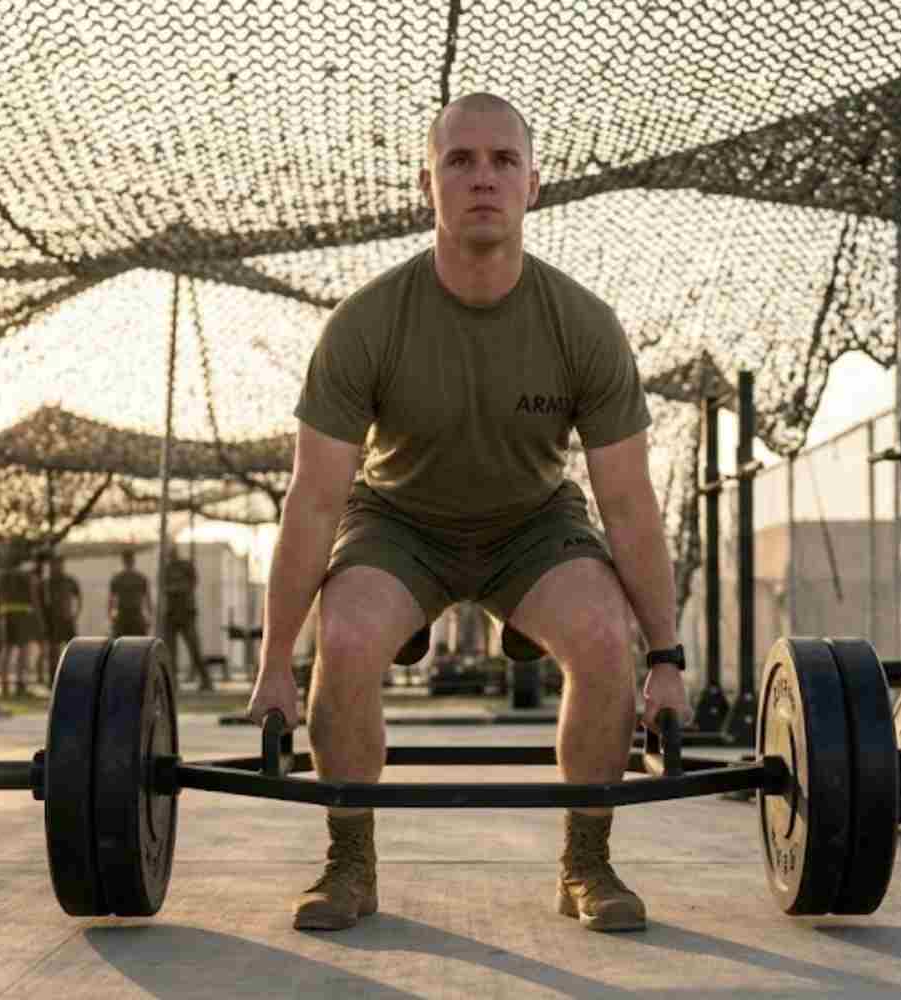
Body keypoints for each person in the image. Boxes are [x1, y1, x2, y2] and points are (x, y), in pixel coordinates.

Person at [247, 92, 690, 934]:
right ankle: (350, 861)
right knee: (342, 639)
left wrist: (664, 657)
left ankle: (587, 864)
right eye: (460, 161)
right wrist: (275, 663)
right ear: (428, 185)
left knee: (603, 638)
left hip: (533, 526)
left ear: (533, 185)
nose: (482, 177)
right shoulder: (367, 323)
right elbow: (312, 502)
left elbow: (628, 503)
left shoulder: (584, 325)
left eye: (502, 161)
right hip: (399, 524)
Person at [0, 546, 43, 696]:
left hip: (5, 614)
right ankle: (20, 684)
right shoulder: (26, 576)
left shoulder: (2, 577)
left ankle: (4, 685)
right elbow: (34, 597)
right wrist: (39, 618)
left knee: (7, 649)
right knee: (23, 649)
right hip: (22, 615)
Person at [163, 544, 213, 691]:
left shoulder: (185, 566)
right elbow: (165, 588)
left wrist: (178, 588)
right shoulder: (166, 569)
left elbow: (192, 584)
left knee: (194, 648)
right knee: (170, 651)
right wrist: (175, 589)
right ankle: (172, 682)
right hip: (171, 614)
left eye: (172, 552)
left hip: (186, 613)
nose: (171, 555)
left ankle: (206, 681)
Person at [40, 555, 81, 682]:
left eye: (58, 564)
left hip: (67, 620)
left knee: (73, 649)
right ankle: (53, 679)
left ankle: (74, 676)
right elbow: (42, 604)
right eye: (53, 564)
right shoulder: (46, 583)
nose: (56, 567)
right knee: (53, 652)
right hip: (52, 620)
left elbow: (79, 597)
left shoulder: (69, 581)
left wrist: (75, 614)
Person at [108, 550, 151, 638]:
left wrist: (111, 617)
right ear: (133, 561)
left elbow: (111, 600)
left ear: (123, 561)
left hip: (123, 615)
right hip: (136, 615)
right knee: (139, 644)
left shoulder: (117, 578)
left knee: (119, 645)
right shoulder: (141, 578)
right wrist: (149, 617)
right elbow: (148, 600)